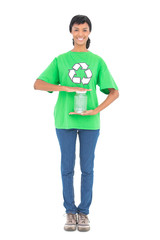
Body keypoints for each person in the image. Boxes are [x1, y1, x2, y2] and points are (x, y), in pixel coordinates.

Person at [34, 14, 119, 232]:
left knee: (87, 168)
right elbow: (38, 84)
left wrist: (96, 109)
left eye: (84, 30)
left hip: (90, 121)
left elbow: (114, 92)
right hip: (64, 119)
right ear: (70, 32)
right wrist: (65, 87)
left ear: (89, 33)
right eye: (76, 29)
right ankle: (70, 212)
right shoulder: (60, 60)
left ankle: (84, 213)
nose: (80, 34)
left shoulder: (98, 61)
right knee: (67, 168)